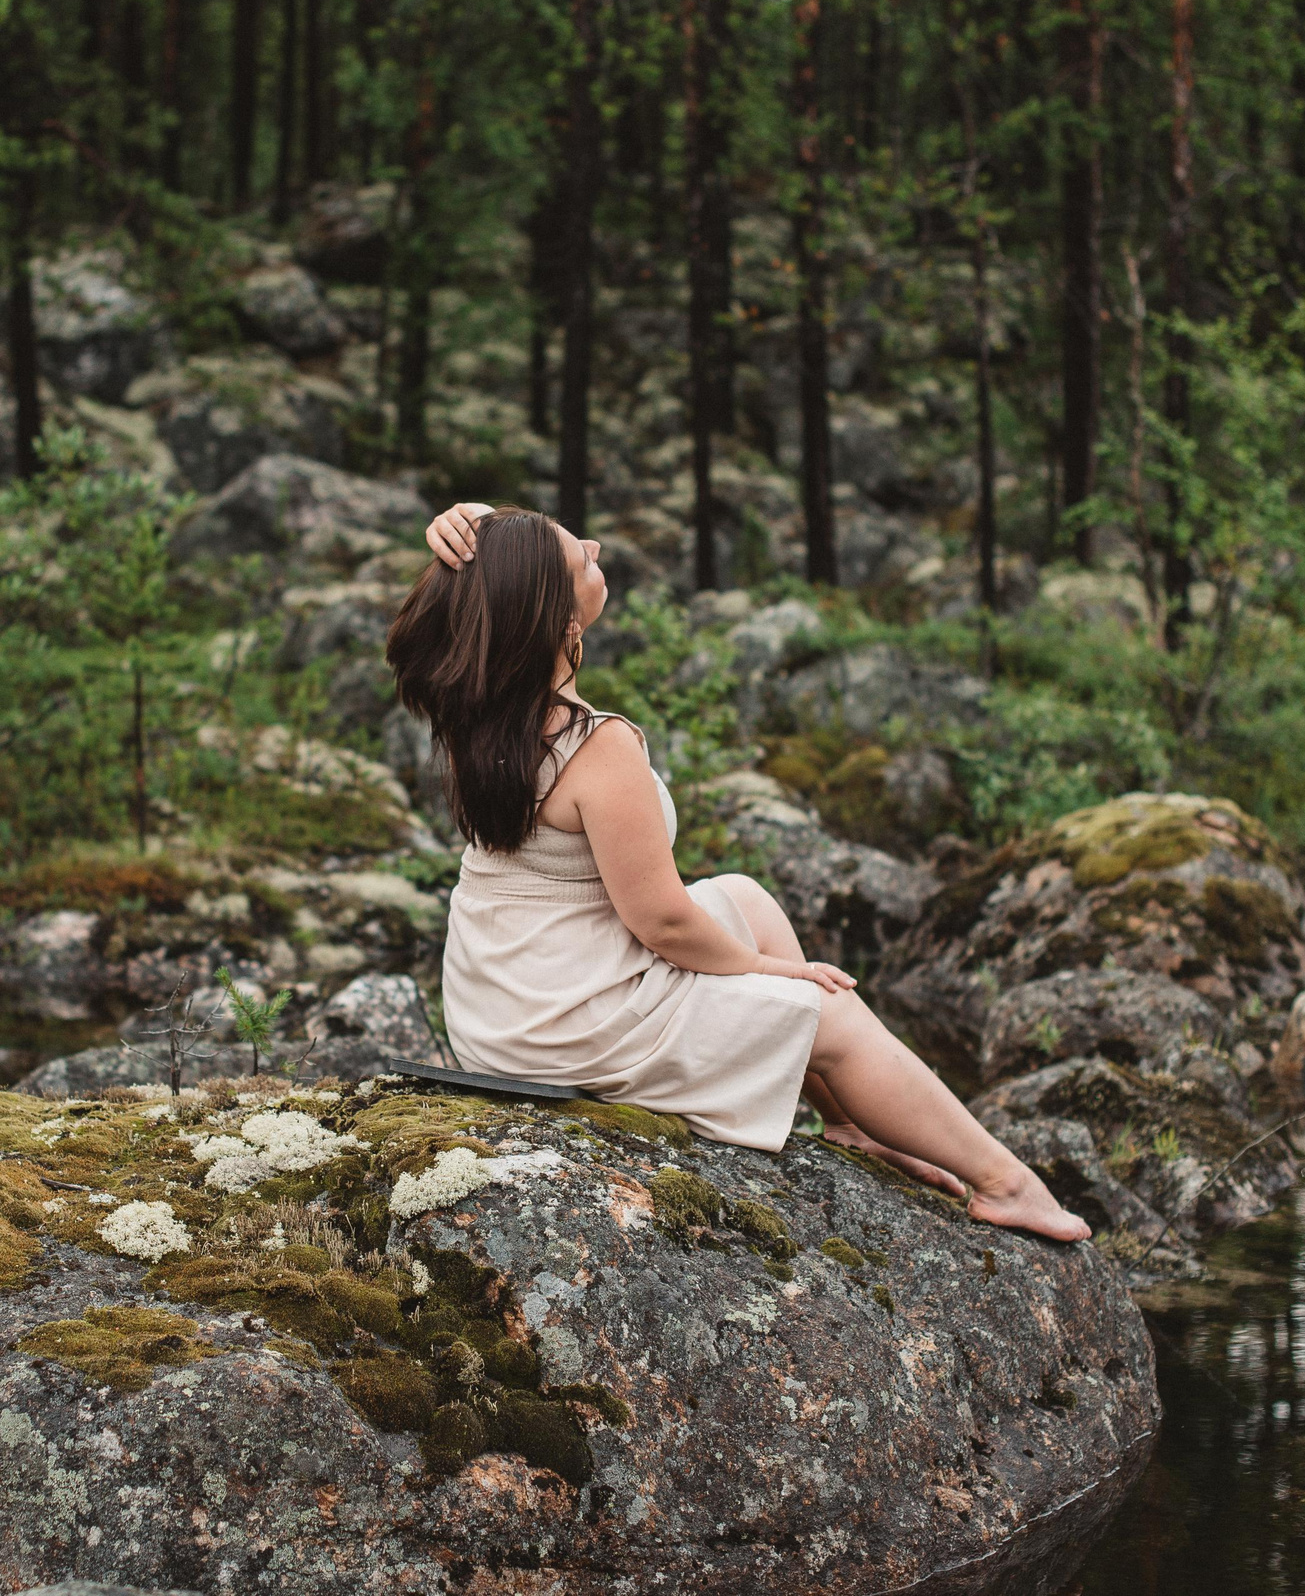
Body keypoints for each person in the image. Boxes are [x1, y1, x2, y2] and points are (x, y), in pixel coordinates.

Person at [386, 501, 1090, 1243]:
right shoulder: (598, 747)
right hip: (562, 1024)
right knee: (826, 1009)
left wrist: (477, 524)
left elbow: (486, 591)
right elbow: (662, 922)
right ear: (559, 621)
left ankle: (852, 1120)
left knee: (743, 898)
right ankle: (1007, 1184)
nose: (597, 546)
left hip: (500, 1005)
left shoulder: (479, 708)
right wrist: (776, 975)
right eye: (579, 557)